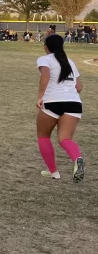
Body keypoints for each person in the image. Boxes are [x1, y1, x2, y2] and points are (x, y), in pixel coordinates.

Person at [36, 34, 86, 182]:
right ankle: (77, 159)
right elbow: (79, 86)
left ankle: (54, 172)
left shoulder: (44, 59)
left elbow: (45, 76)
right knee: (65, 139)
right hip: (74, 103)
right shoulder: (70, 61)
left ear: (46, 47)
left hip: (52, 101)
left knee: (43, 136)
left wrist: (40, 97)